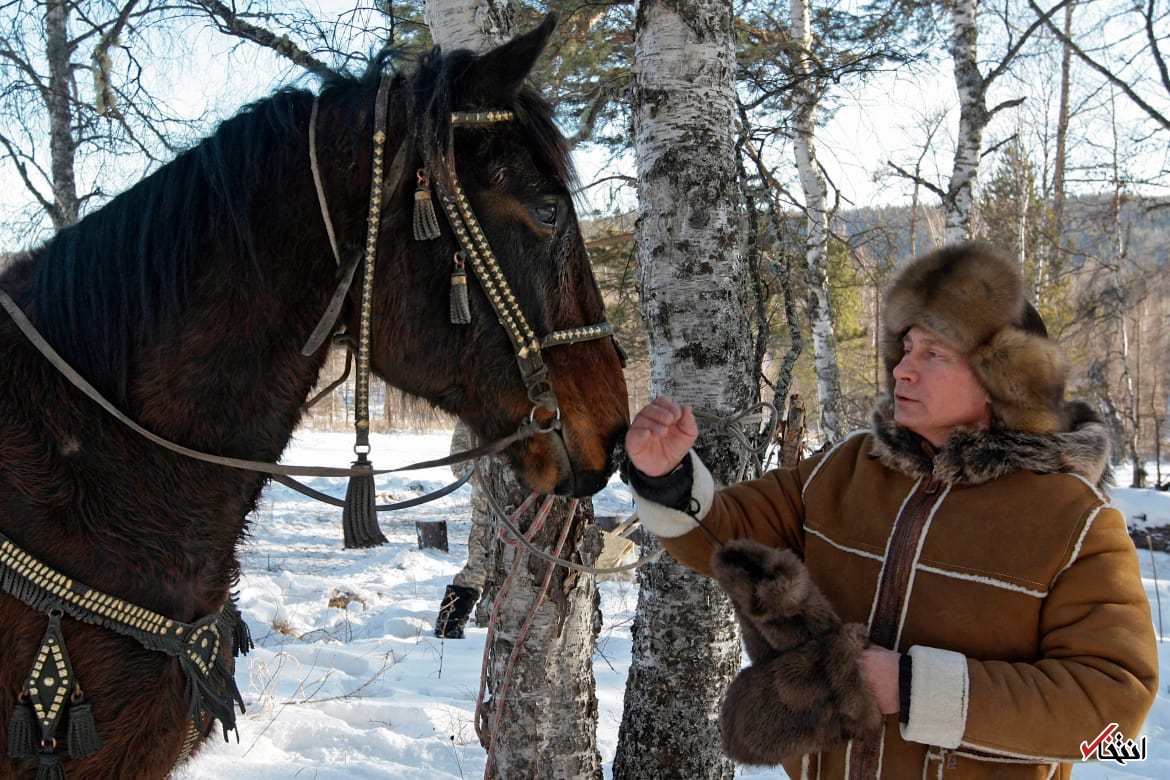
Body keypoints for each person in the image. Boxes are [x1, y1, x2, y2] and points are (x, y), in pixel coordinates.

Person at [623, 243, 1158, 779]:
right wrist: (667, 475)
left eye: (934, 354)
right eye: (906, 349)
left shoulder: (1072, 520)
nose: (903, 370)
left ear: (1002, 385)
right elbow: (724, 540)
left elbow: (1112, 718)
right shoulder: (845, 469)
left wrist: (911, 688)